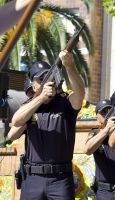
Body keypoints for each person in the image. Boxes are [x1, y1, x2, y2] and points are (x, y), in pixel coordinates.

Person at [11, 50, 85, 200]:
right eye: (40, 79)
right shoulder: (30, 106)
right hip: (33, 179)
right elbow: (16, 121)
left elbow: (80, 94)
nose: (46, 81)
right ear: (33, 85)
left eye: (48, 77)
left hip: (60, 179)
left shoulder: (65, 103)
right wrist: (40, 99)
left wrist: (69, 66)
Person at [83, 99, 115, 200]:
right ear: (97, 117)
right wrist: (106, 129)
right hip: (105, 191)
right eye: (103, 112)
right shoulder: (95, 133)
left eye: (110, 110)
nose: (107, 114)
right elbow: (87, 150)